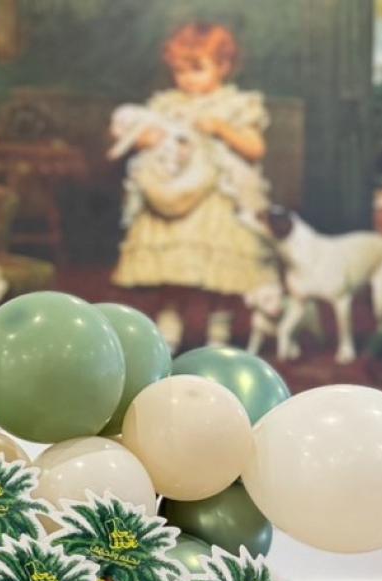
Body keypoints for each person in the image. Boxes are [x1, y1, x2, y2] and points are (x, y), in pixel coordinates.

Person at [112, 21, 276, 345]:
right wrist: (149, 138)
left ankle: (219, 332)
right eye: (180, 70)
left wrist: (221, 129)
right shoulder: (167, 104)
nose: (187, 78)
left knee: (220, 271)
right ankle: (168, 329)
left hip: (217, 199)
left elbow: (255, 149)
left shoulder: (235, 104)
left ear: (223, 66)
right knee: (173, 268)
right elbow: (137, 136)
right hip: (172, 192)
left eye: (197, 69)